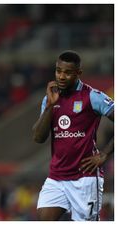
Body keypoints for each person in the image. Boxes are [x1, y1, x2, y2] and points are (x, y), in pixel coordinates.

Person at [32, 50, 114, 221]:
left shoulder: (92, 96)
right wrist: (49, 106)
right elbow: (38, 138)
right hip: (56, 177)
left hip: (85, 178)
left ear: (78, 73)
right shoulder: (50, 98)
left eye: (68, 72)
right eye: (58, 71)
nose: (61, 76)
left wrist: (105, 154)